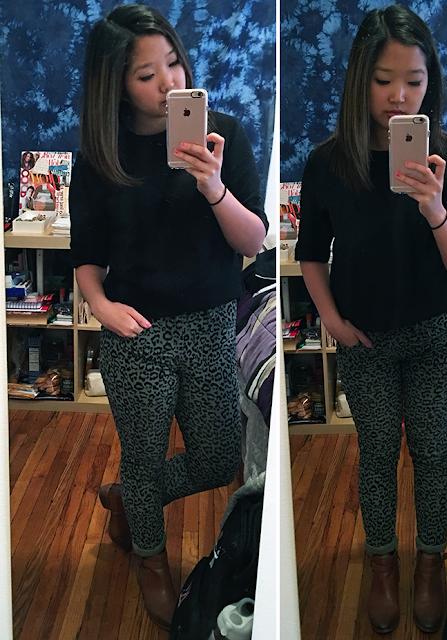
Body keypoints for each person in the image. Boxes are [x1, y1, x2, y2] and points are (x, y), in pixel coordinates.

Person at [69, 4, 268, 631]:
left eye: (174, 63)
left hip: (210, 324)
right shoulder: (100, 153)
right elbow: (85, 253)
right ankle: (149, 558)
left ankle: (131, 499)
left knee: (217, 458)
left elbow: (253, 240)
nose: (169, 83)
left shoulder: (223, 136)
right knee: (144, 453)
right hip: (138, 333)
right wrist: (101, 306)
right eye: (146, 74)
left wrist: (213, 185)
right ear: (115, 85)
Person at [295, 5, 447, 635]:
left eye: (413, 80)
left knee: (431, 451)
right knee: (376, 452)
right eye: (383, 80)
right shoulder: (329, 163)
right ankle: (383, 564)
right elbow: (310, 254)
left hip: (436, 335)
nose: (398, 96)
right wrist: (331, 321)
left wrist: (435, 209)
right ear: (360, 79)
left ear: (431, 83)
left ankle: (430, 564)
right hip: (364, 339)